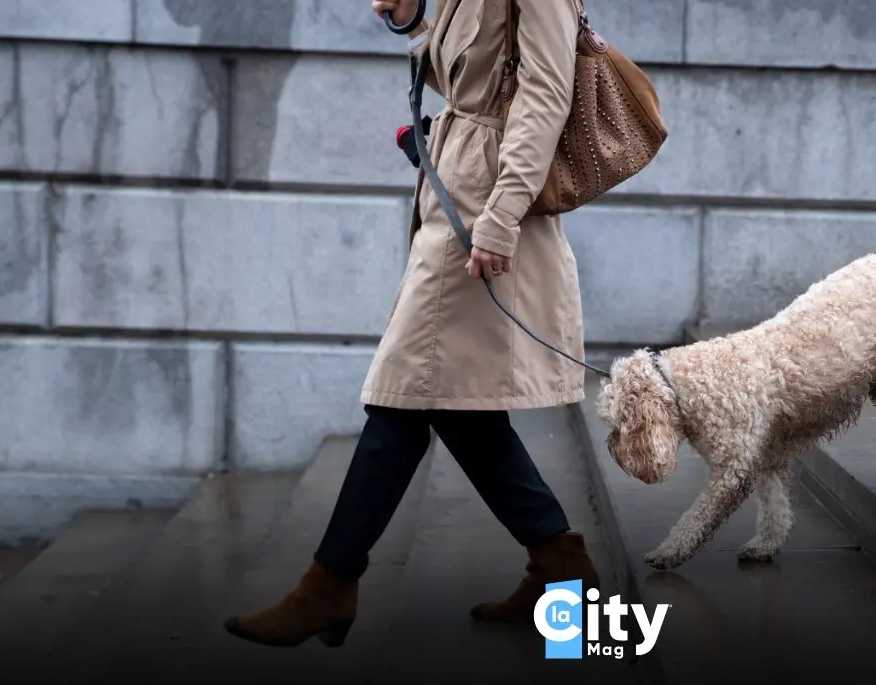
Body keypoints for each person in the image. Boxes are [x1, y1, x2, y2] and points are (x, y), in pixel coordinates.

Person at [223, 0, 599, 648]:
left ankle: (329, 583)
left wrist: (502, 218)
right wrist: (414, 17)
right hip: (451, 196)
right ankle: (562, 570)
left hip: (483, 215)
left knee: (401, 395)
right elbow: (466, 76)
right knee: (456, 405)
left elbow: (544, 96)